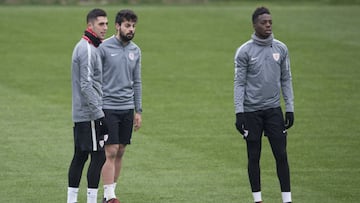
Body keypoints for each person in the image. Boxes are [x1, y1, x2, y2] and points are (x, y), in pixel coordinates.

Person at [233, 7, 294, 203]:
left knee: (281, 155)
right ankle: (257, 200)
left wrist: (290, 108)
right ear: (254, 25)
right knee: (254, 156)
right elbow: (239, 83)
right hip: (252, 112)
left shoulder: (281, 48)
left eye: (270, 22)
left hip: (274, 110)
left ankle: (287, 200)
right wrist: (239, 112)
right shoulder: (244, 51)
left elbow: (287, 79)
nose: (268, 25)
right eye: (263, 22)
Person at [98, 9, 142, 203]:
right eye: (127, 25)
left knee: (121, 150)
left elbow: (137, 81)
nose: (130, 29)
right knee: (111, 150)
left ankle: (110, 193)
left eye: (133, 26)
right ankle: (109, 196)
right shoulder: (104, 48)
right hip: (107, 106)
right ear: (117, 26)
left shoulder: (135, 50)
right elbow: (96, 79)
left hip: (127, 107)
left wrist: (138, 110)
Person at [67, 8, 108, 203]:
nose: (105, 28)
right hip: (90, 115)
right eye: (101, 24)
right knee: (99, 156)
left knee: (80, 156)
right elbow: (86, 84)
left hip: (83, 113)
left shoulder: (86, 46)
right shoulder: (87, 49)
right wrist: (100, 115)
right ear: (89, 26)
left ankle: (71, 200)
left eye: (106, 24)